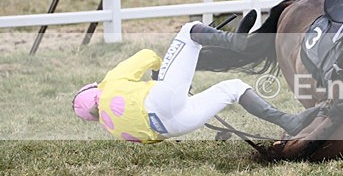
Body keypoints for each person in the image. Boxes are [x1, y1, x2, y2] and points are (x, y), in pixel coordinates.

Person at [72, 19, 319, 143]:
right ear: (95, 89)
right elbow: (147, 56)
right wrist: (160, 75)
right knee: (188, 30)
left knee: (233, 88)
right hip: (163, 98)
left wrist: (174, 93)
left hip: (175, 126)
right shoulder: (109, 83)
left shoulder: (112, 129)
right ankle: (238, 42)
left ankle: (290, 121)